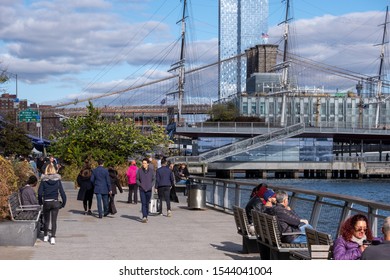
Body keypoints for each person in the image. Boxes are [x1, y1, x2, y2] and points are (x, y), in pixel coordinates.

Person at [38, 163, 67, 245]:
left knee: (47, 220)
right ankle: (53, 237)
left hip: (47, 202)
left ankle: (45, 236)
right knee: (54, 221)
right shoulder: (58, 181)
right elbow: (62, 193)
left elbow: (40, 193)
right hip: (55, 202)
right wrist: (63, 204)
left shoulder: (44, 181)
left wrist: (40, 202)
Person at [136, 158, 156, 223]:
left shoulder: (151, 171)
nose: (143, 164)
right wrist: (140, 184)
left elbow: (154, 179)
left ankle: (146, 215)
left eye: (145, 163)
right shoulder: (139, 170)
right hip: (142, 189)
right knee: (143, 203)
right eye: (143, 163)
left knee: (147, 203)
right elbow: (137, 179)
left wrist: (151, 185)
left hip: (149, 189)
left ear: (147, 164)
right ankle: (144, 216)